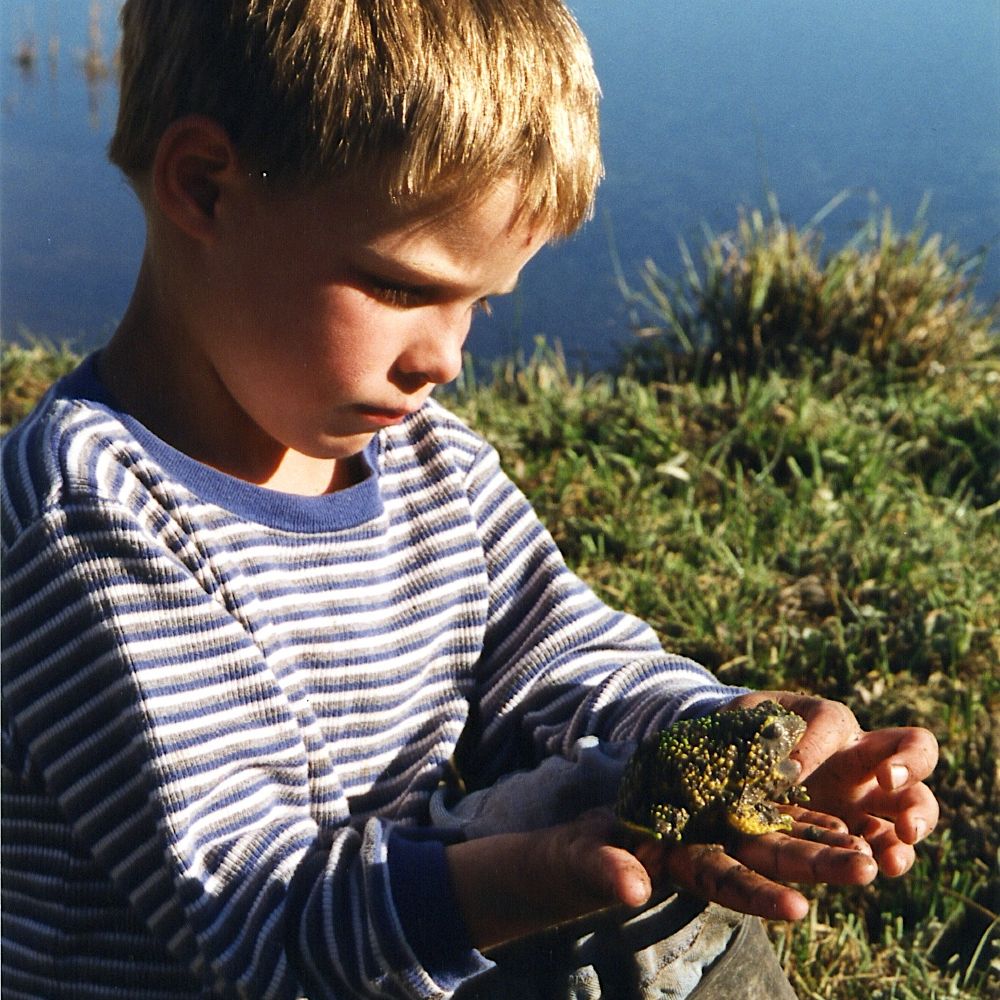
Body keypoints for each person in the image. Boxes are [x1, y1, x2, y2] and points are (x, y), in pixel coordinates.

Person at [0, 1, 939, 998]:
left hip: (375, 938)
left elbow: (559, 655)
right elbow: (257, 923)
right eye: (402, 288)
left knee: (673, 896)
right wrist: (533, 875)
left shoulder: (420, 457)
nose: (444, 359)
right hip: (231, 971)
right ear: (205, 187)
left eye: (479, 303)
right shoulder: (88, 523)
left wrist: (719, 731)